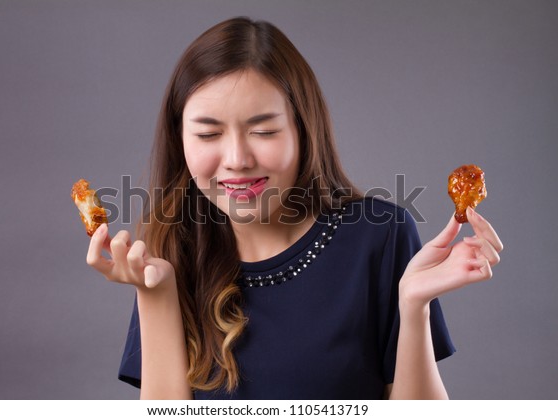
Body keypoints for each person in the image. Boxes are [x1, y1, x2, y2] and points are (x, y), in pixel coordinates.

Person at [86, 17, 503, 400]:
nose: (237, 159)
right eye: (208, 134)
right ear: (180, 140)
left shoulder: (381, 235)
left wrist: (413, 308)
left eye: (264, 130)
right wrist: (156, 296)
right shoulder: (171, 251)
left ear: (304, 130)